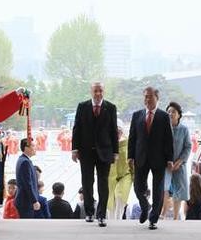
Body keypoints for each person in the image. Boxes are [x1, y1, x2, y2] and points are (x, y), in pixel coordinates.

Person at [71, 82, 119, 227]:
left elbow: (113, 131)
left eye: (101, 91)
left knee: (103, 184)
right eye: (95, 91)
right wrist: (75, 149)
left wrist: (115, 152)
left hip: (105, 151)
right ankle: (89, 213)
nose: (98, 93)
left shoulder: (110, 107)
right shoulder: (82, 106)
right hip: (86, 152)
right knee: (87, 183)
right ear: (91, 92)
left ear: (104, 91)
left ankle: (102, 215)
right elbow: (77, 128)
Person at [127, 86, 174, 230]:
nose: (147, 99)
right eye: (145, 96)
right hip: (140, 157)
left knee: (158, 189)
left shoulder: (164, 116)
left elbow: (168, 139)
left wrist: (170, 159)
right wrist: (130, 156)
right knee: (137, 187)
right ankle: (144, 206)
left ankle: (153, 219)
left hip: (158, 158)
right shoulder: (137, 115)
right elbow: (132, 138)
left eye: (150, 96)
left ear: (157, 98)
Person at [162, 102, 192, 220]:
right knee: (164, 189)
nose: (170, 114)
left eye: (173, 112)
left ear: (179, 115)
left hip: (179, 165)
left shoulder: (184, 129)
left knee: (178, 192)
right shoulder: (163, 128)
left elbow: (188, 146)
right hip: (165, 165)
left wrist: (180, 161)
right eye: (168, 112)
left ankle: (175, 217)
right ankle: (162, 215)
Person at [106, 119, 133, 220]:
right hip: (110, 176)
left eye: (118, 131)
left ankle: (118, 220)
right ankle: (111, 221)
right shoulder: (106, 145)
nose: (116, 133)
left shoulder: (127, 143)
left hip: (125, 175)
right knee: (110, 201)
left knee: (120, 197)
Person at [14, 138, 40, 218]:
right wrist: (34, 201)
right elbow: (28, 184)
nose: (35, 148)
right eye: (33, 145)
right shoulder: (25, 162)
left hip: (25, 200)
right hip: (26, 201)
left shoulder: (24, 160)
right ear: (26, 148)